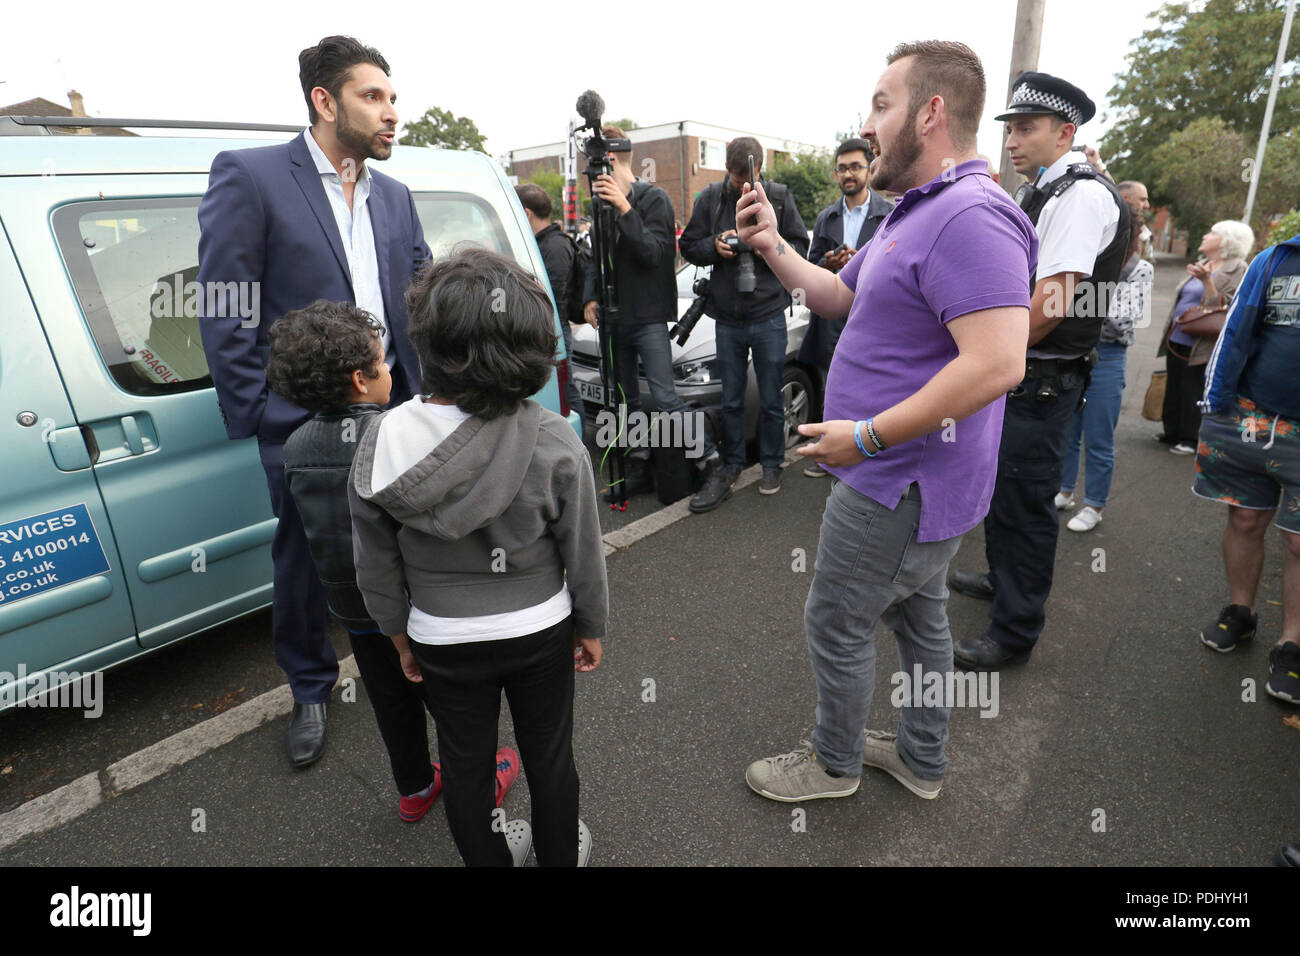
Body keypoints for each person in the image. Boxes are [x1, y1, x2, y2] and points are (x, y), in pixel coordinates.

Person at [738, 40, 1036, 802]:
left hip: (898, 482)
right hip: (906, 481)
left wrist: (865, 435)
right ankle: (920, 758)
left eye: (880, 104)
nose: (866, 125)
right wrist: (772, 245)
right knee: (920, 622)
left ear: (931, 112)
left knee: (837, 621)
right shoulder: (918, 209)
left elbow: (1000, 362)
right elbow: (841, 296)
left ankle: (834, 764)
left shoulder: (973, 216)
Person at [197, 35, 431, 767]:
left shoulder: (395, 194)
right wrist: (267, 415)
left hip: (396, 409)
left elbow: (421, 297)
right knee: (306, 559)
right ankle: (308, 685)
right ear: (324, 102)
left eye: (393, 98)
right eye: (374, 97)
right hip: (306, 421)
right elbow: (224, 304)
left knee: (409, 545)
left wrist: (434, 397)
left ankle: (418, 660)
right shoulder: (254, 175)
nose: (392, 112)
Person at [349, 248, 608, 866]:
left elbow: (375, 563)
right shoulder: (553, 437)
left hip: (440, 632)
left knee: (465, 763)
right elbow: (583, 550)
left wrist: (396, 636)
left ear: (428, 341)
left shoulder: (381, 438)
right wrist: (592, 625)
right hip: (538, 626)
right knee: (549, 756)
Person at [268, 300, 520, 820]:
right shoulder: (391, 434)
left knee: (390, 703)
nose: (390, 374)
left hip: (353, 612)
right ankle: (476, 786)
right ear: (361, 380)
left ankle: (414, 789)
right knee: (452, 706)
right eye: (383, 365)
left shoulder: (294, 446)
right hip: (410, 608)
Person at [950, 71, 1132, 671]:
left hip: (1043, 376)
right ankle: (1005, 583)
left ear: (1066, 132)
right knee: (1008, 491)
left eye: (1026, 128)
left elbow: (1054, 299)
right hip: (1030, 374)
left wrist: (992, 354)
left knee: (1027, 501)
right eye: (1010, 129)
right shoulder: (1047, 191)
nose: (1012, 141)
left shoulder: (1080, 195)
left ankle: (1016, 630)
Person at [580, 125, 717, 500]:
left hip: (647, 317)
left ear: (612, 160)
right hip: (613, 317)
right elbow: (597, 257)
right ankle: (638, 462)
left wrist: (624, 208)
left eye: (597, 166)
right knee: (625, 399)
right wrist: (590, 296)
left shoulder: (654, 198)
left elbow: (655, 254)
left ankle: (709, 459)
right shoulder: (598, 205)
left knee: (666, 397)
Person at [1195, 229, 1300, 705]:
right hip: (1252, 417)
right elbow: (1236, 330)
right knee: (1244, 516)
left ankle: (1292, 644)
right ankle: (1242, 611)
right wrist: (1216, 405)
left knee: (1299, 542)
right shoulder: (1276, 260)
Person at [681, 139, 809, 508]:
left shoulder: (779, 198)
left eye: (747, 179)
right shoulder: (710, 198)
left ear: (761, 168)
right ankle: (733, 464)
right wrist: (715, 245)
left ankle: (771, 464)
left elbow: (799, 247)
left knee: (771, 398)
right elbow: (688, 246)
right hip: (728, 318)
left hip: (768, 313)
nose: (742, 186)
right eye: (737, 179)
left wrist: (768, 244)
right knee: (731, 399)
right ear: (726, 168)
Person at [1055, 185, 1155, 532]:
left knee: (1099, 437)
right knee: (1069, 430)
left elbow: (1122, 321)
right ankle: (1065, 489)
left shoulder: (1139, 270)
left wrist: (1078, 304)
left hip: (1109, 358)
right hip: (1078, 354)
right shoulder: (1091, 264)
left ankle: (1094, 504)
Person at [799, 137, 894, 478]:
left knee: (871, 385)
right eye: (842, 168)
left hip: (872, 316)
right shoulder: (826, 217)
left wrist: (863, 265)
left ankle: (868, 452)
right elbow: (810, 267)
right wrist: (828, 261)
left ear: (869, 168)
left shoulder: (890, 213)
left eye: (855, 166)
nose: (848, 174)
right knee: (832, 385)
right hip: (832, 317)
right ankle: (830, 458)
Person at [1156, 221, 1253, 454]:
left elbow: (1230, 306)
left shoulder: (1238, 268)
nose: (1205, 235)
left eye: (1212, 233)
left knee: (1193, 387)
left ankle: (1189, 438)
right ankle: (1172, 432)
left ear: (1227, 241)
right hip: (1178, 335)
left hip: (1204, 340)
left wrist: (1207, 281)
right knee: (1175, 384)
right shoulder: (1203, 263)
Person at [516, 184, 583, 422]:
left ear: (526, 213)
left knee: (566, 391)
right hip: (550, 325)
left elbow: (551, 293)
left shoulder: (555, 245)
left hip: (555, 326)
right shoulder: (543, 243)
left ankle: (578, 445)